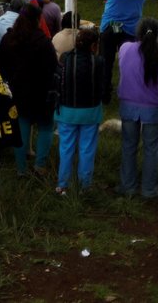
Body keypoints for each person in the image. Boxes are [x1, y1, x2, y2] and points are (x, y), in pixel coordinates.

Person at [0, 5, 58, 176]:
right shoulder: (43, 41)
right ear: (38, 20)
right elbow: (53, 66)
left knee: (22, 127)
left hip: (18, 92)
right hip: (42, 92)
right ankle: (40, 165)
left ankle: (21, 169)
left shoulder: (8, 39)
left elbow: (0, 66)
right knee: (45, 127)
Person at [55, 27, 108, 195]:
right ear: (93, 46)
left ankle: (62, 185)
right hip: (90, 112)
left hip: (67, 111)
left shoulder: (65, 59)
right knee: (87, 149)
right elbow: (104, 86)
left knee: (66, 147)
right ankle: (85, 186)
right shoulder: (98, 62)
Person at [117, 18, 158, 199]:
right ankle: (149, 189)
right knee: (152, 149)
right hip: (153, 107)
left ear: (139, 32)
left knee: (128, 146)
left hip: (128, 105)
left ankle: (128, 186)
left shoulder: (125, 48)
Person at [97, 0, 147, 89]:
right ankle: (130, 89)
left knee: (106, 61)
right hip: (133, 29)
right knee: (130, 62)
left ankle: (104, 91)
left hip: (110, 26)